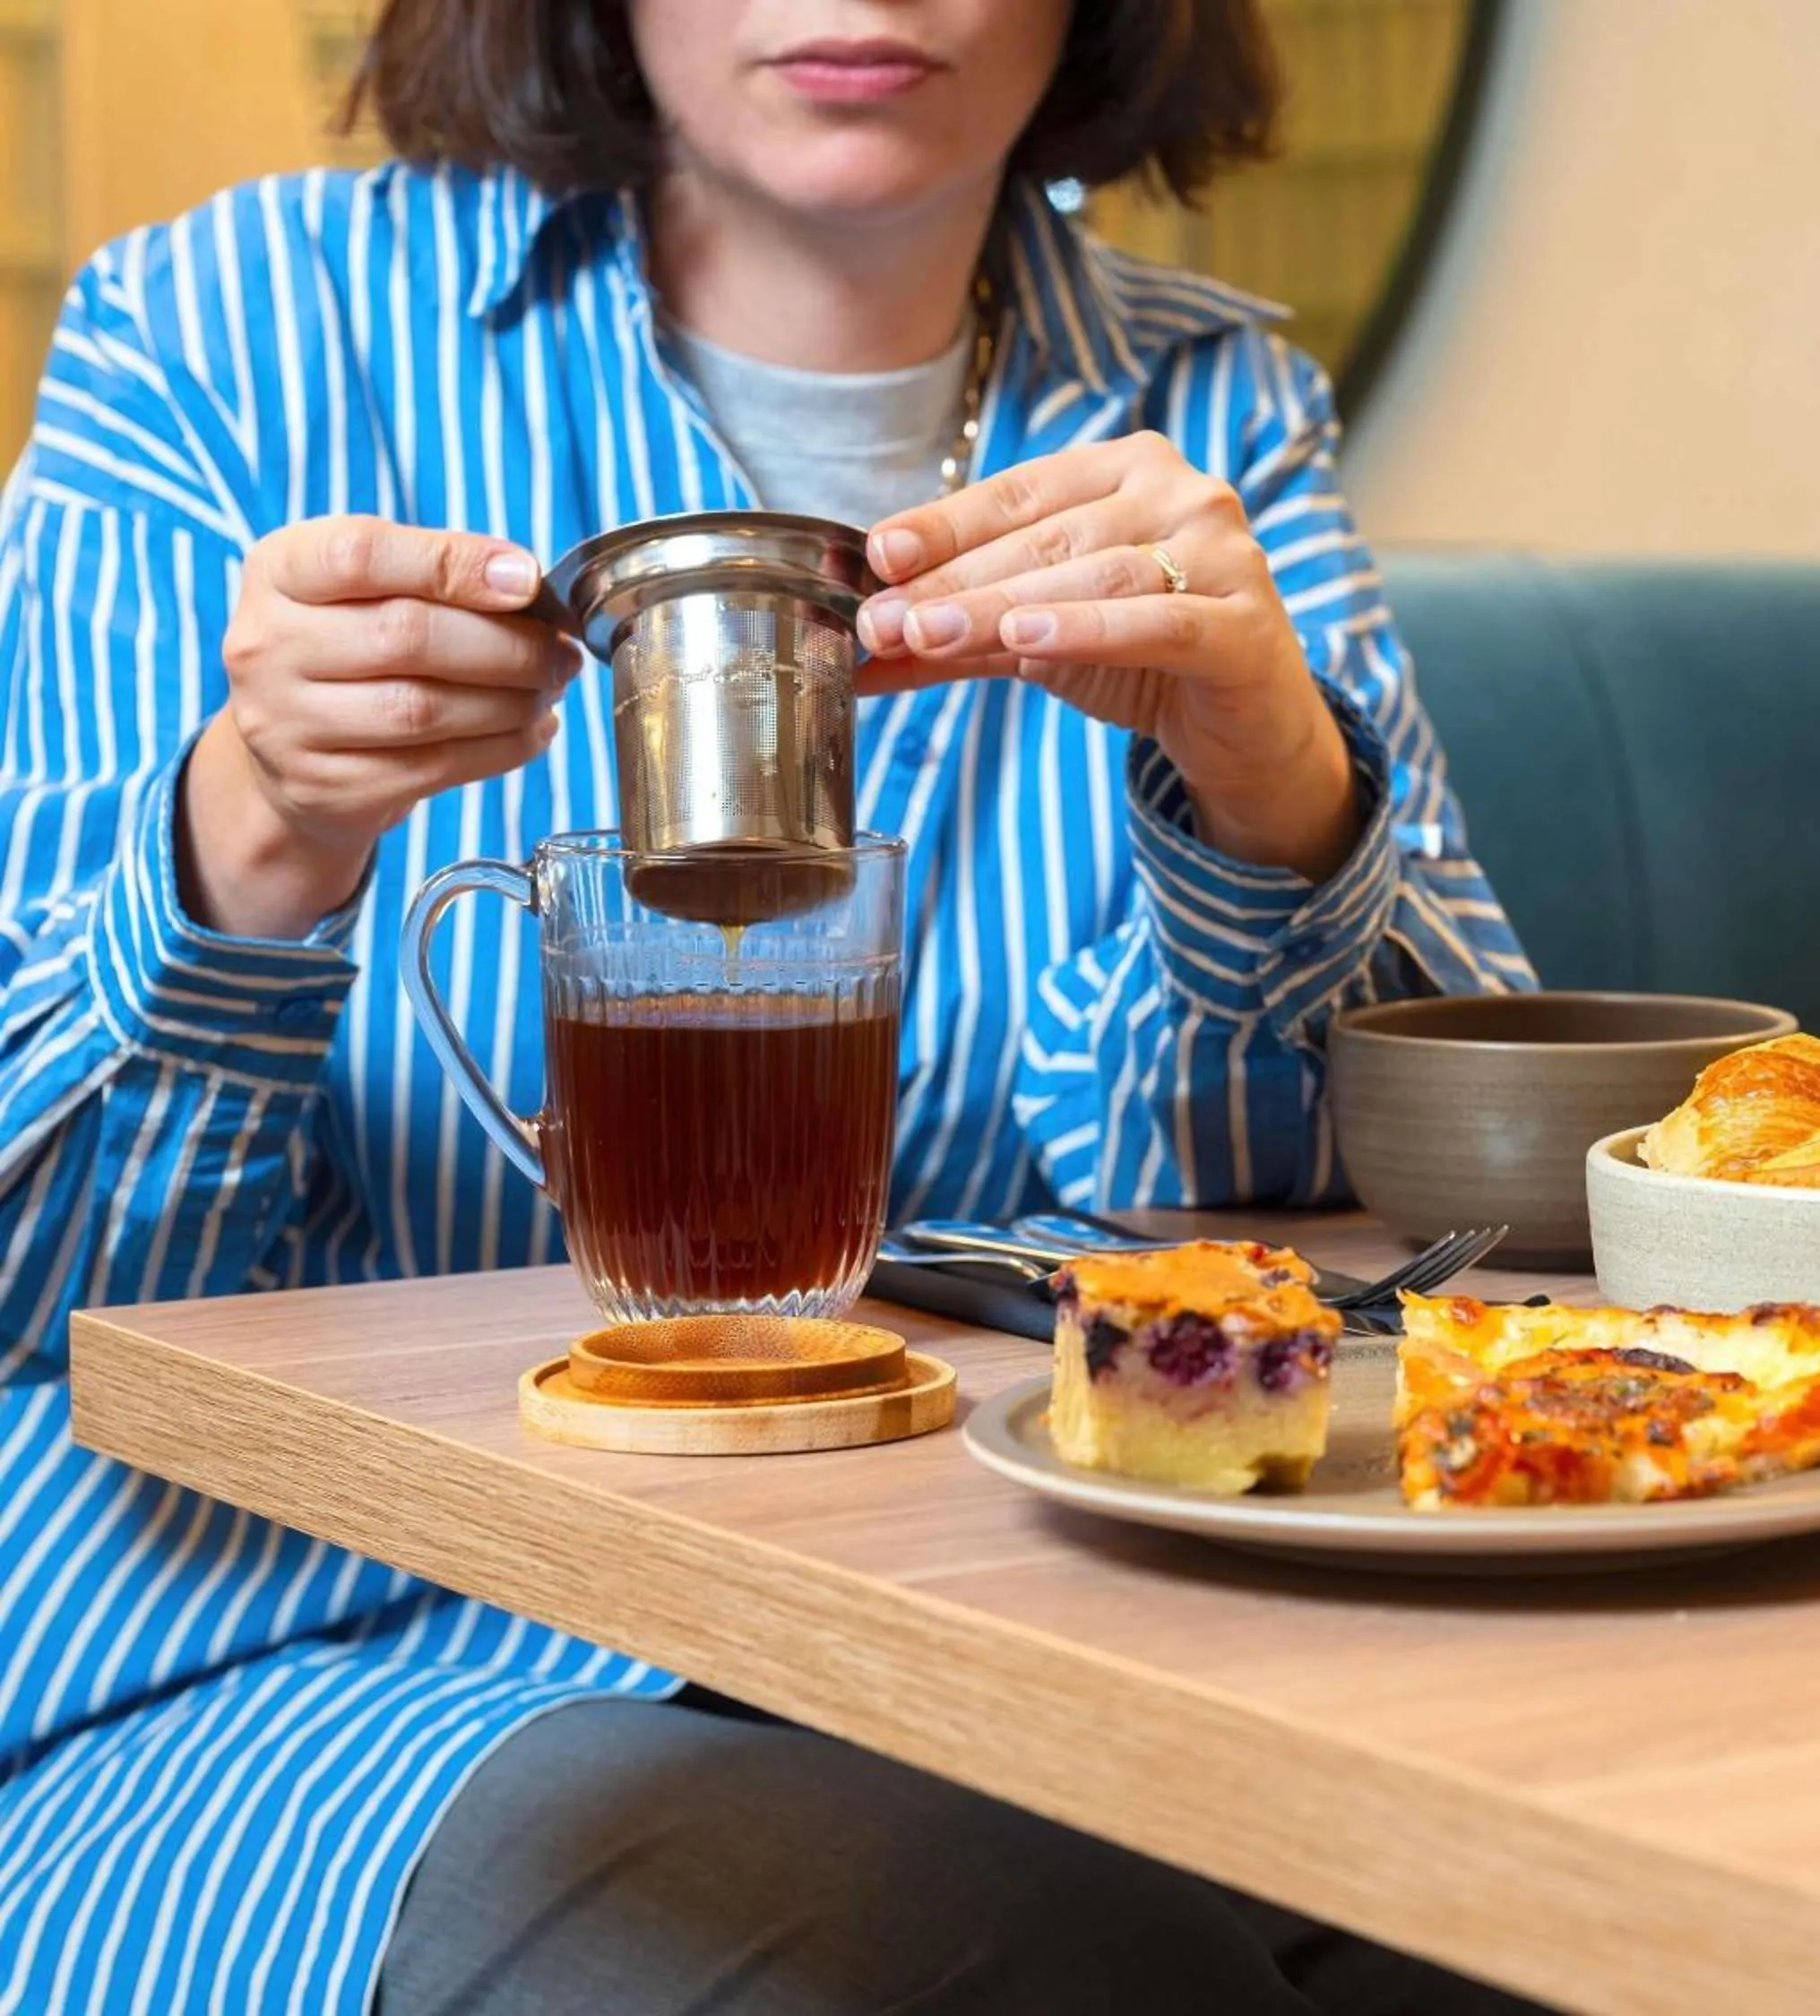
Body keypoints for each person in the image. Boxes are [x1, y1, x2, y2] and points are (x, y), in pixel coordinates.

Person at [0, 1, 1539, 2008]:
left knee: (1544, 1916)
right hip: (319, 1644)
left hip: (1003, 1620)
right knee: (1018, 1950)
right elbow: (49, 1279)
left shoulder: (1207, 399)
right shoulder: (218, 331)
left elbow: (1415, 1226)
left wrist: (1273, 792)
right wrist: (253, 833)